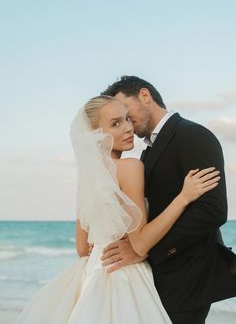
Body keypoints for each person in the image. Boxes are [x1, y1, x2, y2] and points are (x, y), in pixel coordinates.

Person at [15, 95, 220, 324]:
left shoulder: (89, 177)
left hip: (94, 274)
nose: (128, 128)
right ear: (95, 136)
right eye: (116, 124)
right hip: (125, 276)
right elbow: (140, 243)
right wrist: (183, 197)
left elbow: (82, 248)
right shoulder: (130, 166)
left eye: (126, 119)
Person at [101, 76, 236, 324]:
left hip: (188, 278)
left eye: (127, 115)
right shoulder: (148, 151)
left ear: (144, 95)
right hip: (158, 277)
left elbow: (213, 210)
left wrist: (146, 250)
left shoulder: (193, 135)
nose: (127, 125)